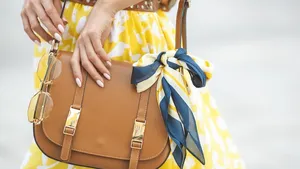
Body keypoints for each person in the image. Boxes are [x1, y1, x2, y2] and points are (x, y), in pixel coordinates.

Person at [20, 0, 246, 168]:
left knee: (141, 148)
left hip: (128, 30)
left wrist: (107, 8)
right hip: (66, 28)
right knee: (62, 143)